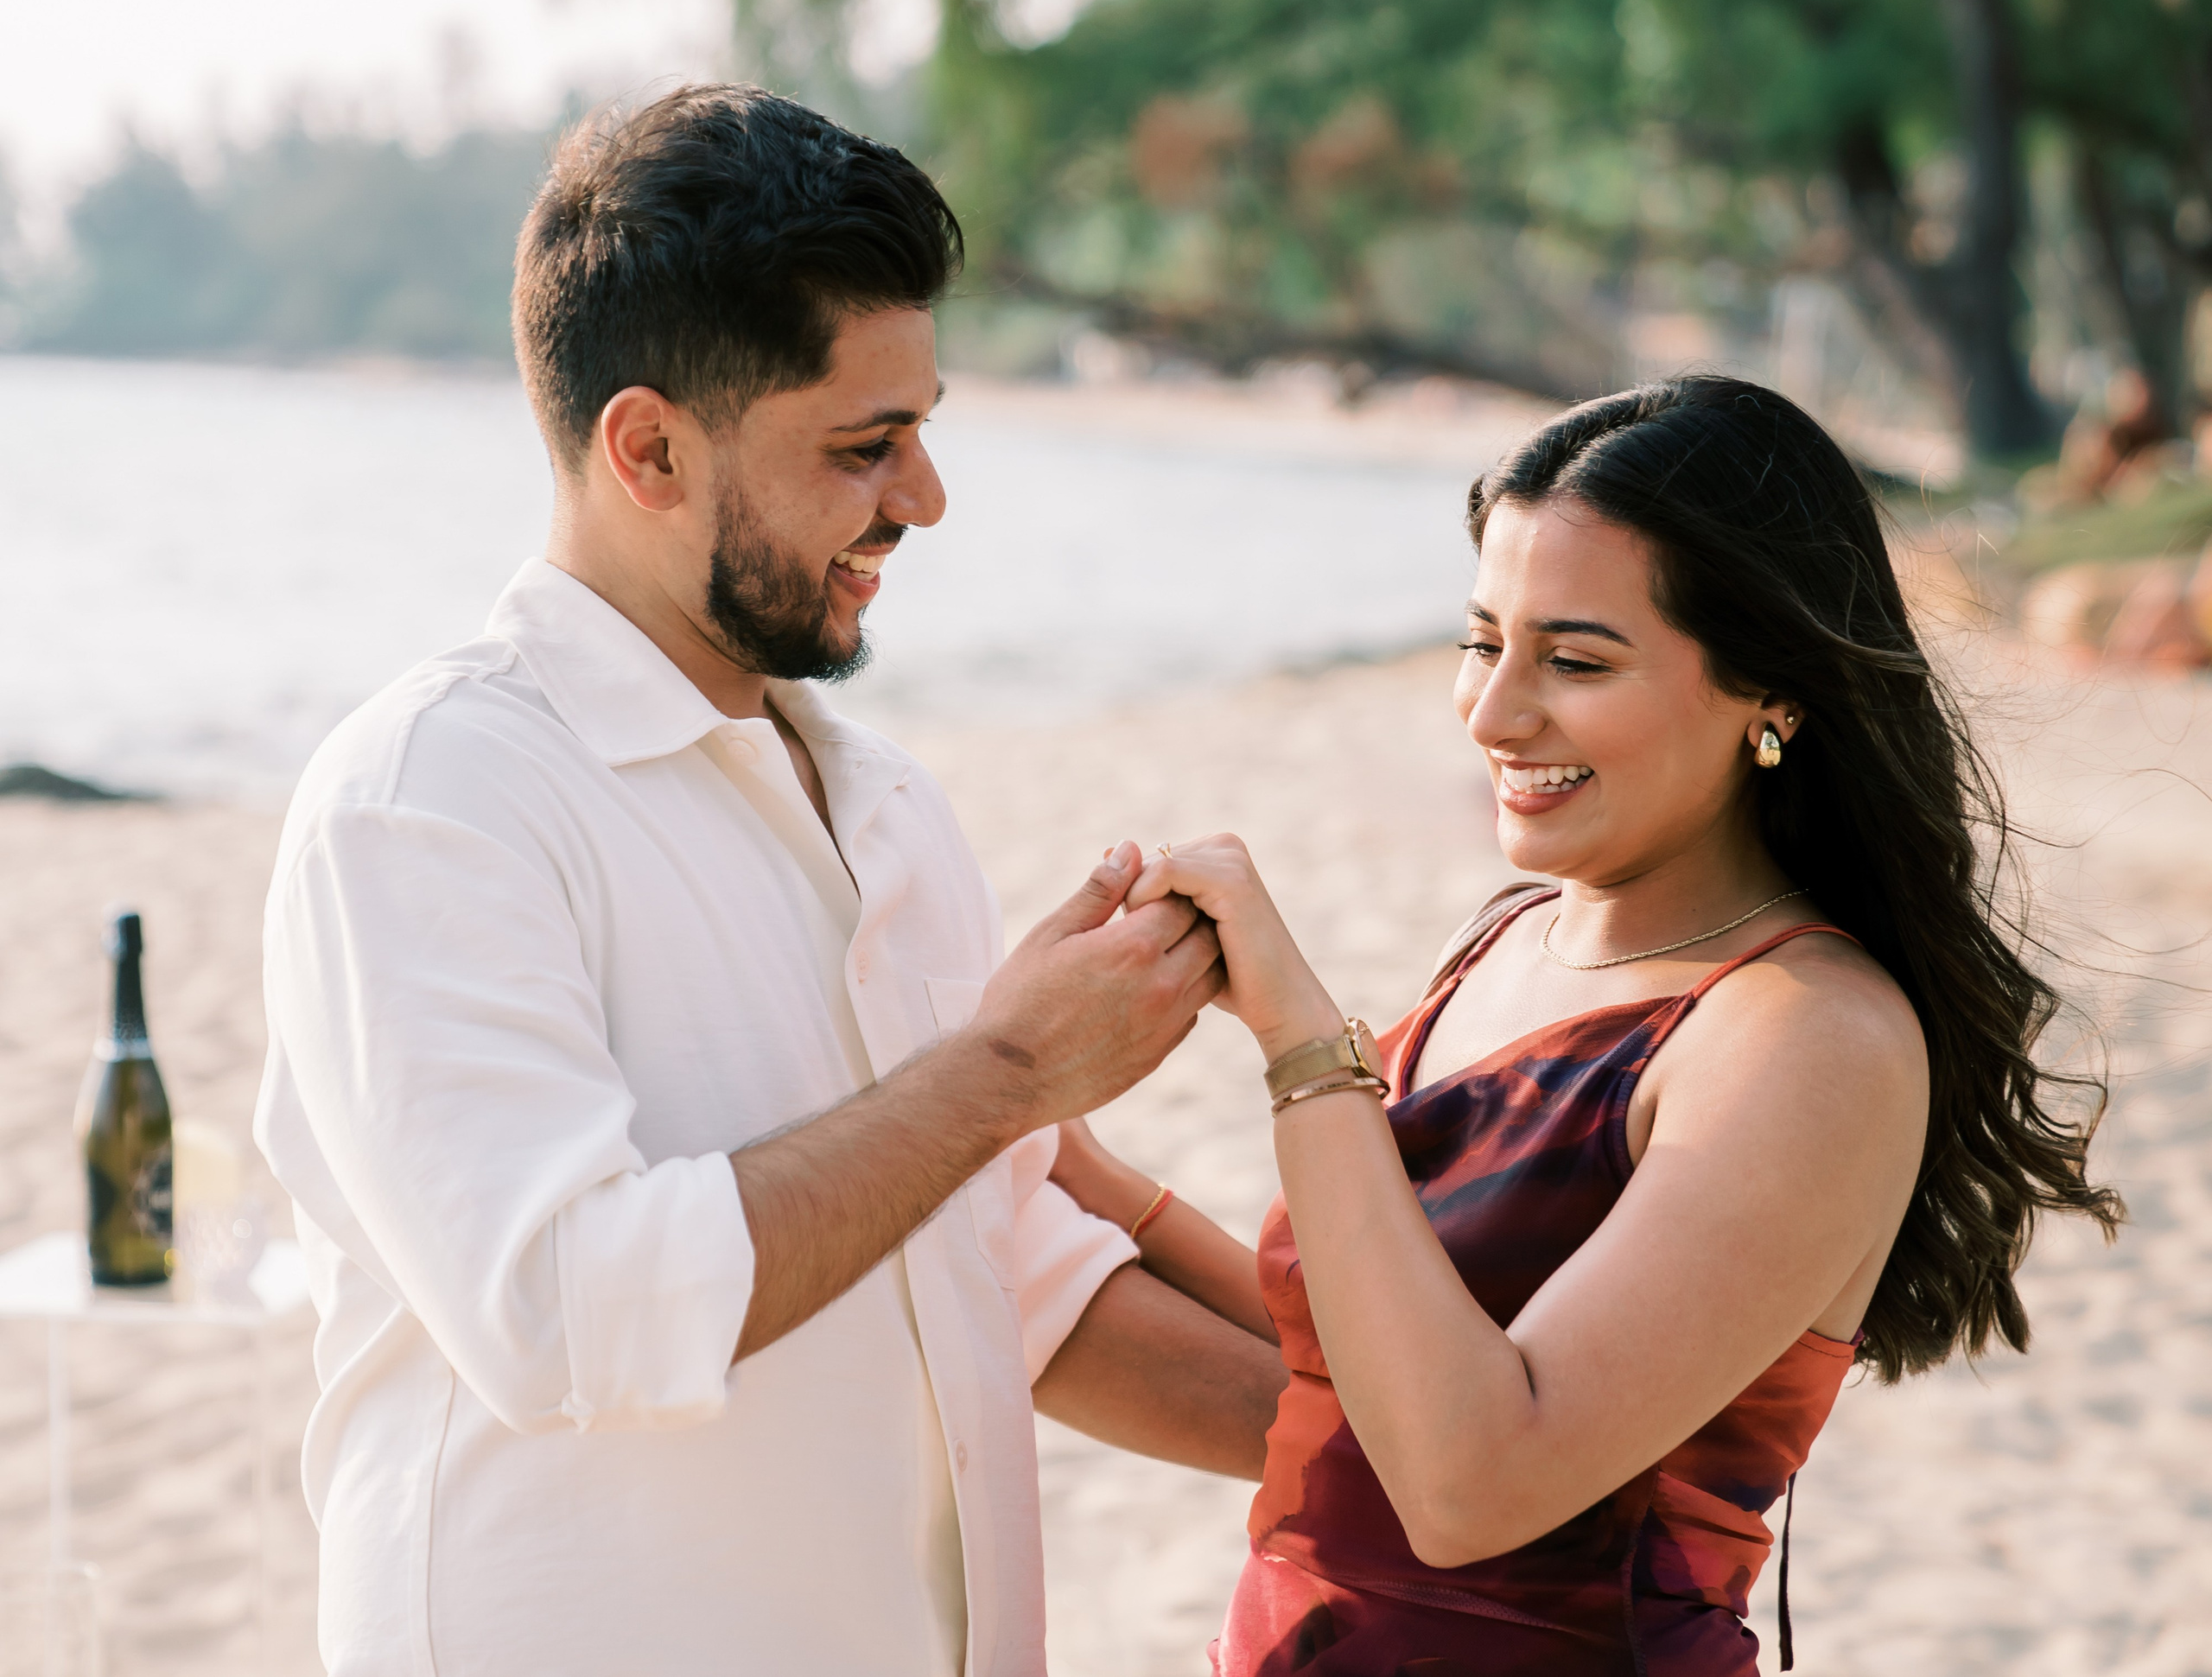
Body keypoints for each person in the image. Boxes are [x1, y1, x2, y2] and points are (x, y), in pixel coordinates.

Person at [252, 84, 1285, 1677]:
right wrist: (1004, 1072)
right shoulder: (427, 802)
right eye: (866, 447)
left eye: (924, 429)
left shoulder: (890, 810)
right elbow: (564, 1308)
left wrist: (1460, 1475)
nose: (924, 498)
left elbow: (1012, 1279)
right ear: (649, 448)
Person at [1052, 376, 2124, 1674]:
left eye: (1574, 659)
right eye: (1481, 639)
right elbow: (1355, 1353)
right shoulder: (1503, 938)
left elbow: (1471, 1482)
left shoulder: (1809, 1035)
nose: (1495, 712)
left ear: (1771, 692)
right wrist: (1066, 1162)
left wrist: (1301, 1044)